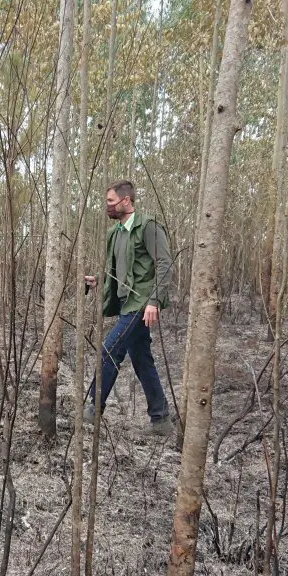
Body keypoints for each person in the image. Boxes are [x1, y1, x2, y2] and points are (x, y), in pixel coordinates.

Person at [84, 180, 174, 436]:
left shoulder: (148, 227)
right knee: (142, 360)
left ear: (126, 201)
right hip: (126, 303)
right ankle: (161, 421)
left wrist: (154, 301)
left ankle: (92, 411)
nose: (107, 207)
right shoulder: (115, 233)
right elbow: (119, 271)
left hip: (141, 304)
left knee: (109, 351)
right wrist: (98, 280)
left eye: (111, 202)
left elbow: (165, 263)